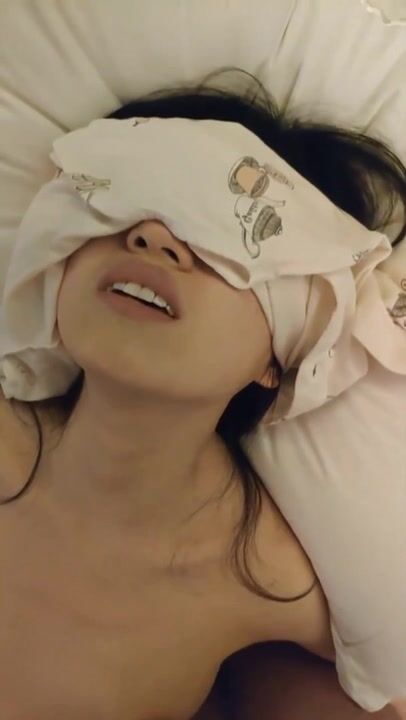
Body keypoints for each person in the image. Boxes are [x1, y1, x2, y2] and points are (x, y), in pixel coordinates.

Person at [2, 67, 405, 718]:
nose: (154, 237)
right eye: (129, 203)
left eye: (227, 239)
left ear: (282, 357)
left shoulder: (268, 576)